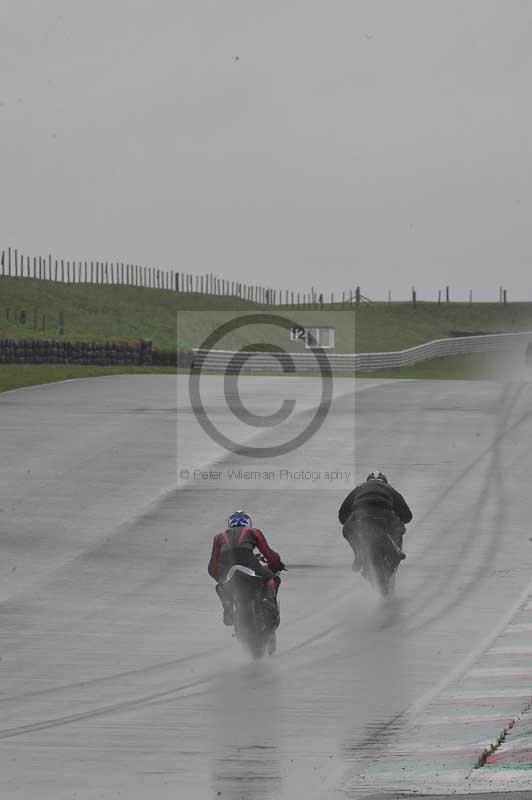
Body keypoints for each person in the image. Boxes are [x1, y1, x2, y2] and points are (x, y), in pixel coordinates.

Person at [208, 511, 285, 626]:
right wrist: (277, 565)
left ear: (230, 524)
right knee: (273, 579)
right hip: (249, 563)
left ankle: (228, 605)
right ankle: (267, 601)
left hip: (228, 570)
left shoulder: (218, 537)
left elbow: (213, 564)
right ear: (248, 523)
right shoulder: (253, 531)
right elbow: (268, 554)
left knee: (220, 585)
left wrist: (217, 576)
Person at [338, 471, 412, 572]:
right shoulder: (389, 489)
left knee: (346, 530)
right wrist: (400, 521)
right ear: (385, 482)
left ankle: (358, 552)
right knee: (400, 528)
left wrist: (350, 523)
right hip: (384, 513)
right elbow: (408, 516)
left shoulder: (360, 488)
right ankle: (397, 550)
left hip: (361, 514)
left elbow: (342, 514)